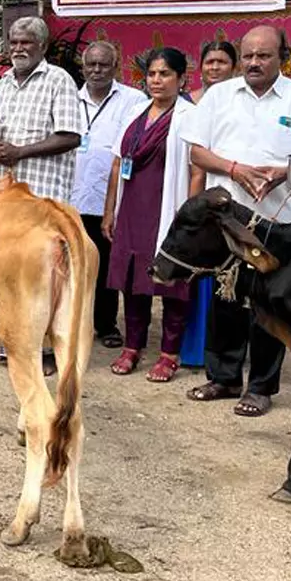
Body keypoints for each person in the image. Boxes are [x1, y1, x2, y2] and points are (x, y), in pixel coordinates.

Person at [182, 25, 291, 416]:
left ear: (281, 56)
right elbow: (198, 153)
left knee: (269, 303)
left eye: (263, 55)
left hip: (276, 220)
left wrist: (282, 172)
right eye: (247, 55)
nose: (253, 63)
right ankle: (224, 377)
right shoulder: (219, 96)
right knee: (225, 297)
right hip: (226, 219)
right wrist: (234, 169)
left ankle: (261, 386)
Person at [100, 47, 204, 382]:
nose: (157, 80)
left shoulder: (189, 116)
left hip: (168, 209)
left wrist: (189, 218)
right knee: (133, 281)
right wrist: (109, 211)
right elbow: (118, 162)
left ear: (181, 78)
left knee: (172, 282)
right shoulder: (136, 111)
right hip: (132, 208)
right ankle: (133, 347)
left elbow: (197, 170)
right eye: (152, 74)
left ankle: (169, 354)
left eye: (165, 74)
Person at [69, 40, 146, 348]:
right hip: (72, 195)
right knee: (73, 264)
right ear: (83, 67)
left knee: (106, 265)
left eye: (104, 65)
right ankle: (75, 323)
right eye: (91, 65)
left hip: (109, 198)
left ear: (116, 67)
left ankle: (106, 324)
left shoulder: (133, 100)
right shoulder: (69, 99)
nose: (97, 70)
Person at [179, 37, 240, 366]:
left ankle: (229, 349)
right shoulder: (189, 102)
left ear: (234, 67)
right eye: (210, 62)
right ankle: (194, 348)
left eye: (222, 62)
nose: (215, 67)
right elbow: (194, 160)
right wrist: (193, 208)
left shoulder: (238, 102)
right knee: (198, 276)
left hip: (231, 196)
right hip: (194, 192)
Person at [0, 17, 85, 201]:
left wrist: (19, 152)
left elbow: (70, 137)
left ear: (42, 46)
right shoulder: (2, 84)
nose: (18, 48)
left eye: (25, 42)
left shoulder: (58, 80)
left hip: (41, 196)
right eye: (13, 42)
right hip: (3, 193)